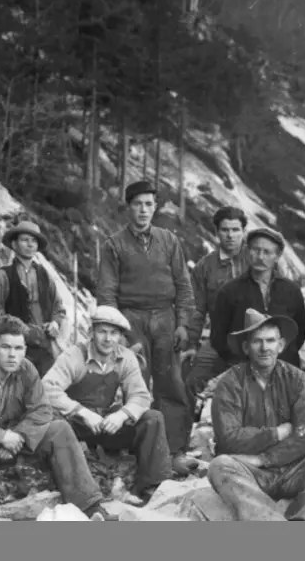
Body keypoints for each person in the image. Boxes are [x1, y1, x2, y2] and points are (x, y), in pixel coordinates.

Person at [0, 316, 117, 521]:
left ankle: (90, 507)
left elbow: (42, 409)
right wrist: (0, 437)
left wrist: (19, 436)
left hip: (15, 443)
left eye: (18, 348)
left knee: (59, 429)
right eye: (6, 347)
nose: (12, 355)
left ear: (24, 349)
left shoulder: (26, 369)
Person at [208, 309, 305, 521]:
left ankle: (301, 520)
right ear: (246, 347)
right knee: (219, 466)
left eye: (270, 340)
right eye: (257, 341)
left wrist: (263, 458)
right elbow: (228, 437)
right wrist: (276, 433)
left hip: (293, 468)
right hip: (250, 472)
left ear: (281, 345)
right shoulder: (230, 383)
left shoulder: (297, 379)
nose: (264, 348)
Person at [96, 180, 198, 476]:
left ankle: (175, 451)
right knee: (135, 384)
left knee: (172, 383)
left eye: (149, 204)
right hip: (132, 320)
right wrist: (117, 332)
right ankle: (143, 453)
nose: (143, 210)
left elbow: (183, 285)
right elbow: (107, 292)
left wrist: (183, 324)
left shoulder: (169, 240)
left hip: (165, 319)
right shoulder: (114, 244)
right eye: (138, 204)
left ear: (155, 207)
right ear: (128, 207)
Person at [43, 306, 172, 503]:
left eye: (114, 333)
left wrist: (122, 415)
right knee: (55, 423)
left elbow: (140, 395)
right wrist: (81, 412)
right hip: (76, 425)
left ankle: (152, 486)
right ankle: (82, 495)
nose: (108, 339)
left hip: (106, 423)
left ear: (120, 336)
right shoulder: (74, 356)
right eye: (102, 331)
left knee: (153, 419)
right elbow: (47, 388)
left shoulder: (125, 357)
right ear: (91, 332)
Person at [208, 227, 305, 370]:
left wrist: (284, 358)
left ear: (278, 256)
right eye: (256, 250)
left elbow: (299, 333)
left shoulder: (292, 290)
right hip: (243, 370)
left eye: (267, 252)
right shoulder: (229, 291)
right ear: (247, 251)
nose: (260, 257)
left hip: (285, 369)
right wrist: (237, 364)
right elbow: (218, 336)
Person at [183, 207, 249, 412]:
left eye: (235, 230)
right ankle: (190, 429)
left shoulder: (258, 260)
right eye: (225, 230)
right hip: (219, 341)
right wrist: (191, 344)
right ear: (217, 232)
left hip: (254, 339)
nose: (230, 235)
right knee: (192, 381)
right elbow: (196, 310)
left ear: (244, 231)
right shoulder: (205, 267)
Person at [0, 220, 66, 377]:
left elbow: (59, 307)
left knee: (46, 387)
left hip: (45, 348)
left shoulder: (45, 276)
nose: (30, 244)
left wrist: (55, 323)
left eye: (34, 241)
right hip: (14, 350)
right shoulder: (2, 276)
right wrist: (20, 331)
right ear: (14, 245)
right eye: (25, 240)